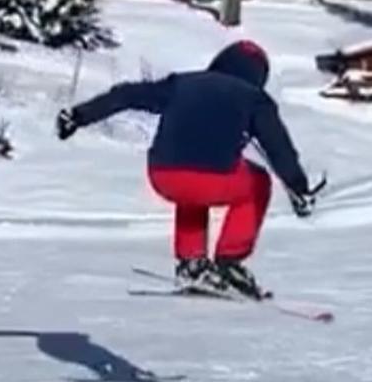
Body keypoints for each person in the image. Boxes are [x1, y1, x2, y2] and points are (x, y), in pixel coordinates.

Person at [56, 39, 319, 299]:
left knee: (192, 189)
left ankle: (191, 262)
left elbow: (126, 96)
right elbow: (278, 148)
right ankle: (229, 262)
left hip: (163, 175)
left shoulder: (181, 83)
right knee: (258, 182)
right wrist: (299, 189)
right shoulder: (254, 98)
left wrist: (79, 116)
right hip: (212, 179)